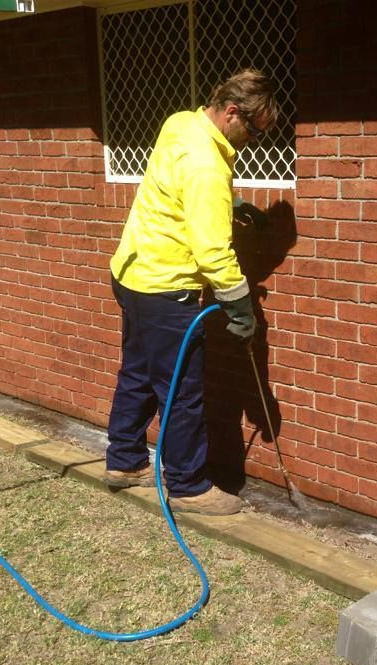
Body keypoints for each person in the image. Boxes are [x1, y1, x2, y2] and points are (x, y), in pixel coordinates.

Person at [103, 69, 278, 516]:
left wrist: (230, 205)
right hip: (166, 286)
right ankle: (187, 486)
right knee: (181, 389)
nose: (252, 141)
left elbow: (172, 183)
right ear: (233, 113)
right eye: (253, 131)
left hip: (131, 274)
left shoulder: (181, 122)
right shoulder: (207, 165)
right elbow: (212, 253)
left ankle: (124, 461)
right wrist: (241, 307)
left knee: (139, 372)